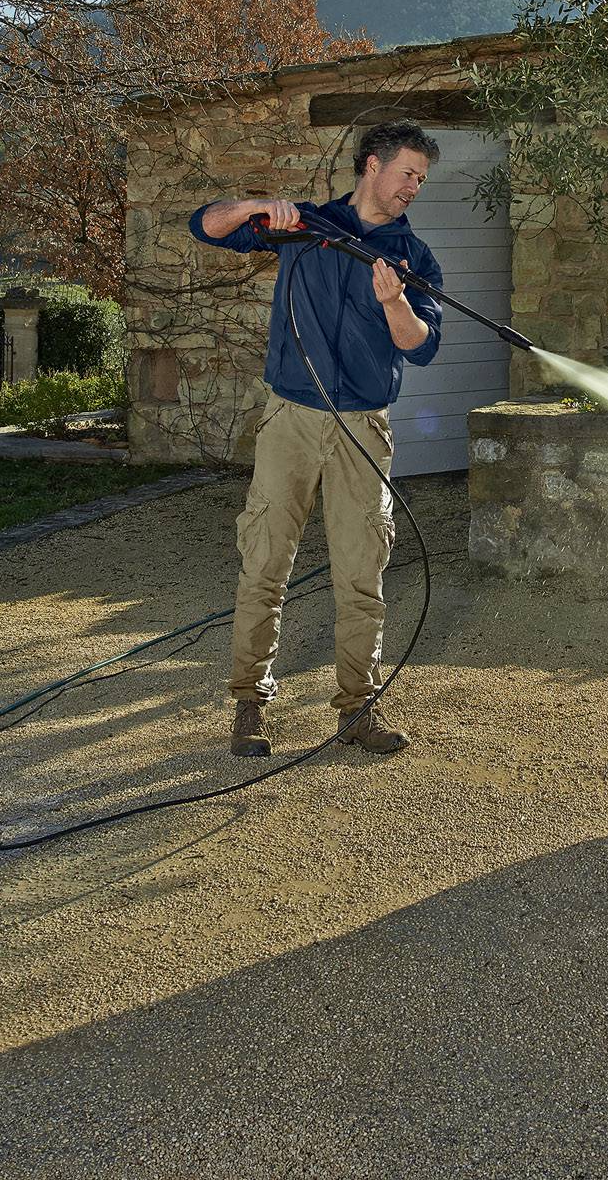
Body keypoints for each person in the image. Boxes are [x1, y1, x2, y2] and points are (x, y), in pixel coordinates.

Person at [189, 121, 445, 758]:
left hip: (364, 425)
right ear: (370, 166)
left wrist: (394, 304)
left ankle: (358, 708)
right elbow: (205, 227)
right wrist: (255, 206)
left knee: (363, 572)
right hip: (292, 420)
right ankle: (249, 703)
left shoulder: (416, 257)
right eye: (408, 172)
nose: (414, 186)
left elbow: (423, 347)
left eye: (421, 179)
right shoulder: (305, 226)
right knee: (265, 563)